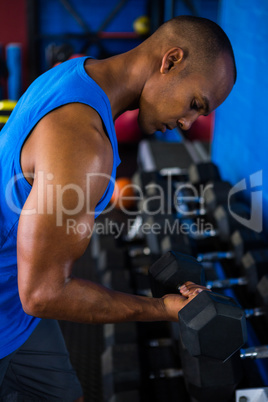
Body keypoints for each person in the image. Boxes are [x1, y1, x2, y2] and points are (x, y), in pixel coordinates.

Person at [0, 15, 236, 401]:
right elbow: (43, 294)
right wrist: (163, 309)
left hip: (18, 299)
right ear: (171, 60)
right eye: (194, 104)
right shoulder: (83, 142)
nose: (187, 123)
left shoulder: (72, 74)